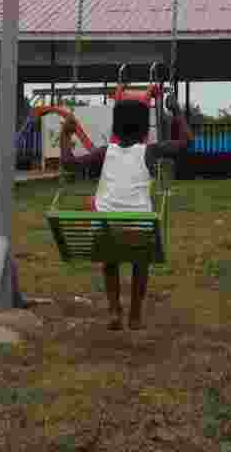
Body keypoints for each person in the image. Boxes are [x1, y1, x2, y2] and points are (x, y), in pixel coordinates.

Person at [59, 97, 192, 331]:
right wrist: (177, 112)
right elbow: (186, 142)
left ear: (116, 126)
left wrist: (65, 135)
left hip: (106, 229)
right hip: (139, 229)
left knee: (110, 258)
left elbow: (69, 163)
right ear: (143, 129)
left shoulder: (104, 152)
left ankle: (114, 310)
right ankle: (135, 315)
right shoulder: (150, 152)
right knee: (140, 261)